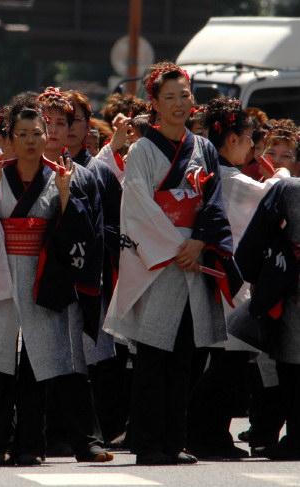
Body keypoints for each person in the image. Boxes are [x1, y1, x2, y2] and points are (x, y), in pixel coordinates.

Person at [0, 98, 107, 465]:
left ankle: (29, 446)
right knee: (0, 365)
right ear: (9, 138)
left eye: (36, 133)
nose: (29, 140)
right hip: (4, 275)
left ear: (46, 137)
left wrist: (66, 196)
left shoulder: (59, 175)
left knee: (36, 366)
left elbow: (78, 233)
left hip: (43, 278)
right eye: (22, 133)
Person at [104, 63, 236, 465]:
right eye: (170, 97)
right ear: (155, 104)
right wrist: (175, 247)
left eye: (184, 95)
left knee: (184, 356)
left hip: (193, 254)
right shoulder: (143, 150)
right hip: (159, 260)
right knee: (153, 355)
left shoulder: (204, 148)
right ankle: (147, 443)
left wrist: (199, 241)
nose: (179, 103)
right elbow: (137, 204)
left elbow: (213, 201)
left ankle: (175, 440)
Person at [187, 97, 290, 460]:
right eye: (248, 139)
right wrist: (282, 173)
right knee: (226, 368)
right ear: (232, 139)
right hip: (226, 281)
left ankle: (205, 434)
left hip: (214, 276)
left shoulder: (207, 172)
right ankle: (209, 436)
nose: (251, 148)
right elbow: (273, 196)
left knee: (220, 366)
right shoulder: (231, 180)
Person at [233, 177, 300, 460]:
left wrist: (256, 274)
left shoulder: (289, 190)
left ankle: (295, 438)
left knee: (291, 365)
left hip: (293, 287)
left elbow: (256, 238)